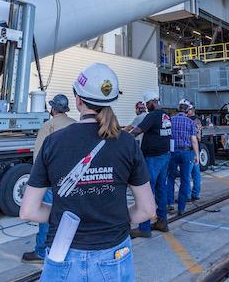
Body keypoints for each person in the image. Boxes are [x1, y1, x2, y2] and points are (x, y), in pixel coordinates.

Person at [20, 63, 155, 282]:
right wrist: (116, 221)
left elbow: (28, 211)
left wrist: (63, 217)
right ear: (111, 102)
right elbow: (147, 210)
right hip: (113, 253)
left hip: (63, 253)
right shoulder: (127, 144)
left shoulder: (53, 142)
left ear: (79, 100)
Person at [22, 94, 76, 263]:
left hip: (53, 179)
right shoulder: (75, 125)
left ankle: (41, 251)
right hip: (74, 179)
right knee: (70, 214)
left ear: (53, 109)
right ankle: (68, 247)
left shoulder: (48, 125)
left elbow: (39, 156)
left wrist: (37, 182)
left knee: (47, 215)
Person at [128, 90, 172, 238]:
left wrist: (123, 139)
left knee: (146, 192)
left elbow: (138, 130)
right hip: (165, 155)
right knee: (161, 189)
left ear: (152, 102)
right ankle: (162, 221)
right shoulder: (166, 115)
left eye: (147, 104)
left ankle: (144, 228)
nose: (146, 107)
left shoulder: (152, 116)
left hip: (153, 158)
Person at [166, 99, 199, 215]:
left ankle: (169, 203)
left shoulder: (171, 120)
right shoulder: (191, 122)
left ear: (178, 109)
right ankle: (181, 208)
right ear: (187, 111)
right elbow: (194, 140)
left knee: (170, 178)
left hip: (172, 152)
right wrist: (196, 155)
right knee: (185, 179)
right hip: (185, 153)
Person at [187, 102, 202, 201]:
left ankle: (187, 195)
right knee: (196, 174)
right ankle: (196, 194)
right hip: (195, 150)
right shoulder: (198, 121)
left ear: (191, 110)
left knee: (187, 174)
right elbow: (199, 137)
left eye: (187, 109)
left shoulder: (192, 121)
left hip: (190, 149)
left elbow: (198, 137)